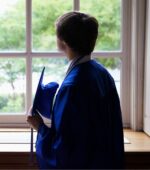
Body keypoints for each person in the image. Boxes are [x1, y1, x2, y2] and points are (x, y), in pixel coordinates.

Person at [27, 11, 124, 169]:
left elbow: (65, 153)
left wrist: (40, 127)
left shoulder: (73, 87)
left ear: (62, 41)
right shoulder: (101, 73)